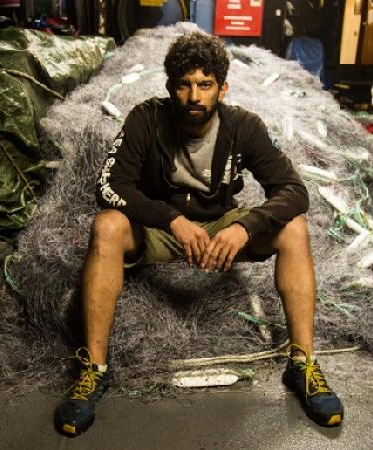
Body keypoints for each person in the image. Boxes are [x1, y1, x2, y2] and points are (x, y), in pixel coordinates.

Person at [54, 31, 344, 436]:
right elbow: (110, 186)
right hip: (161, 229)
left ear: (221, 88)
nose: (195, 96)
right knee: (106, 225)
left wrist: (245, 227)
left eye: (205, 85)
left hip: (220, 225)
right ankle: (94, 370)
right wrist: (169, 219)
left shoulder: (244, 126)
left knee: (293, 229)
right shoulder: (146, 118)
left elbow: (294, 191)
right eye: (185, 85)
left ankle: (303, 365)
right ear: (171, 88)